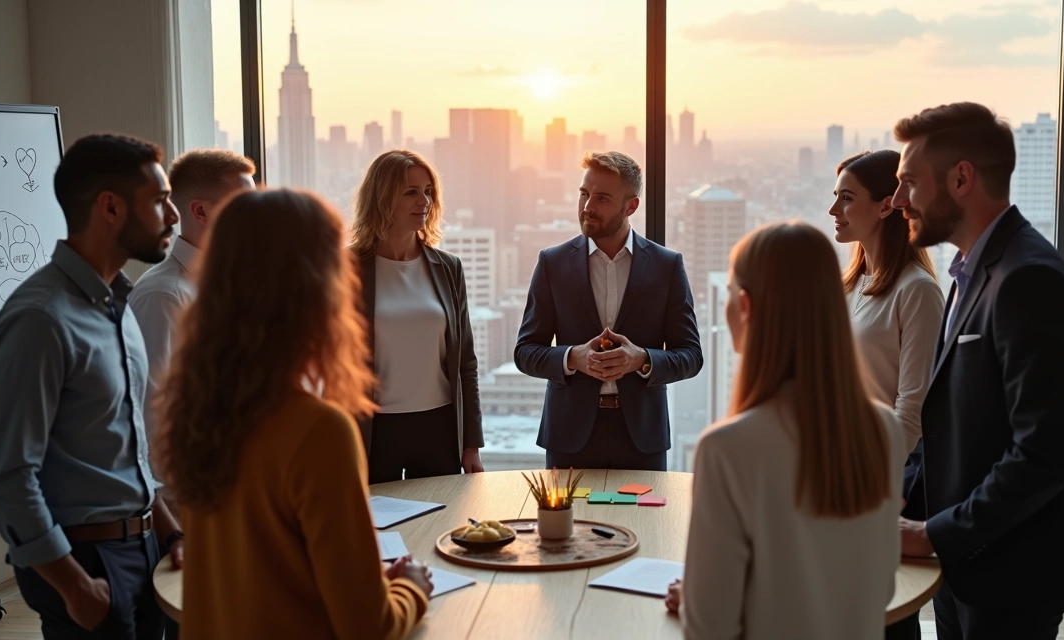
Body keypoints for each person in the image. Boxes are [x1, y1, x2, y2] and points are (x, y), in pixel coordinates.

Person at [156, 189, 433, 639]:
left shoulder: (200, 413)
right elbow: (369, 628)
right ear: (317, 289)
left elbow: (264, 573)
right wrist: (410, 589)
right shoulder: (318, 431)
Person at [892, 102, 1064, 639]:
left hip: (1015, 572)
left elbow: (1043, 453)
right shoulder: (969, 271)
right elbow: (952, 422)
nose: (897, 201)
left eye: (909, 182)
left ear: (961, 178)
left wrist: (934, 534)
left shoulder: (1029, 278)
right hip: (969, 561)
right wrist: (892, 505)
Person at [0, 133, 183, 640]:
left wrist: (169, 531)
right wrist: (72, 585)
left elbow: (121, 451)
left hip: (145, 548)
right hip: (86, 562)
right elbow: (5, 476)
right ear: (110, 208)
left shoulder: (118, 306)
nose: (174, 215)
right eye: (159, 201)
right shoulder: (40, 319)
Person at [664, 221, 906, 639]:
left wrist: (694, 599)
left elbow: (710, 627)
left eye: (728, 294)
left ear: (747, 307)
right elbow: (881, 588)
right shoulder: (883, 429)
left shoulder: (728, 448)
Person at [515, 151, 702, 470]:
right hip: (569, 437)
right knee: (569, 523)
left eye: (601, 198)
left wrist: (641, 360)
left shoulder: (666, 266)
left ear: (631, 206)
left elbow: (691, 356)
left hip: (642, 438)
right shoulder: (552, 263)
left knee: (643, 522)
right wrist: (573, 358)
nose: (587, 207)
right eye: (584, 194)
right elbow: (525, 352)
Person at [349, 150, 484, 482]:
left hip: (439, 427)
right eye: (410, 191)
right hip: (372, 430)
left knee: (443, 525)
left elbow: (466, 361)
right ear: (382, 198)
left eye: (428, 191)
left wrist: (471, 444)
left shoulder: (448, 268)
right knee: (379, 529)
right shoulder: (344, 269)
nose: (423, 200)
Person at [131, 148, 256, 451]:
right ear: (200, 212)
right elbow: (153, 414)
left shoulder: (237, 284)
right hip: (192, 490)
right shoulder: (162, 296)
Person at [831, 150, 943, 455]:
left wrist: (876, 483)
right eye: (836, 196)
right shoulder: (845, 286)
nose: (833, 209)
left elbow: (911, 414)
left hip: (877, 477)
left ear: (885, 207)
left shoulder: (917, 291)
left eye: (847, 198)